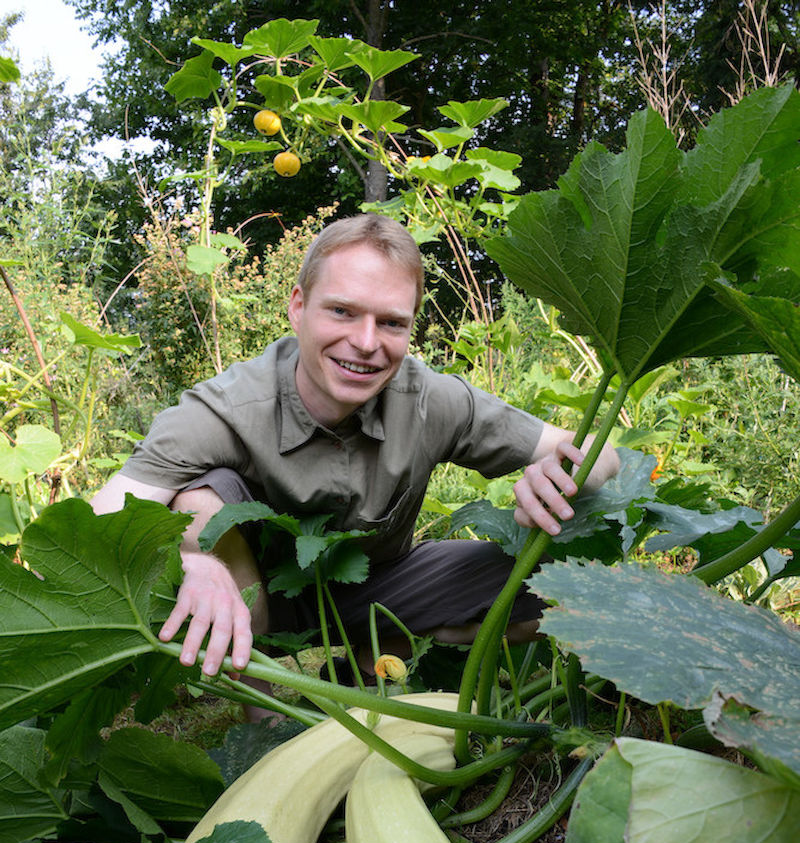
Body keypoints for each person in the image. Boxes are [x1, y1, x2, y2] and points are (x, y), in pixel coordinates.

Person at [92, 214, 619, 716]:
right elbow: (100, 526)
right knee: (200, 496)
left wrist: (558, 471)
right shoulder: (223, 408)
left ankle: (375, 657)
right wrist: (193, 559)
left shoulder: (431, 399)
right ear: (298, 307)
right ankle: (265, 716)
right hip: (253, 601)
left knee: (548, 589)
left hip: (380, 591)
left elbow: (604, 455)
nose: (366, 344)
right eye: (342, 311)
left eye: (391, 322)